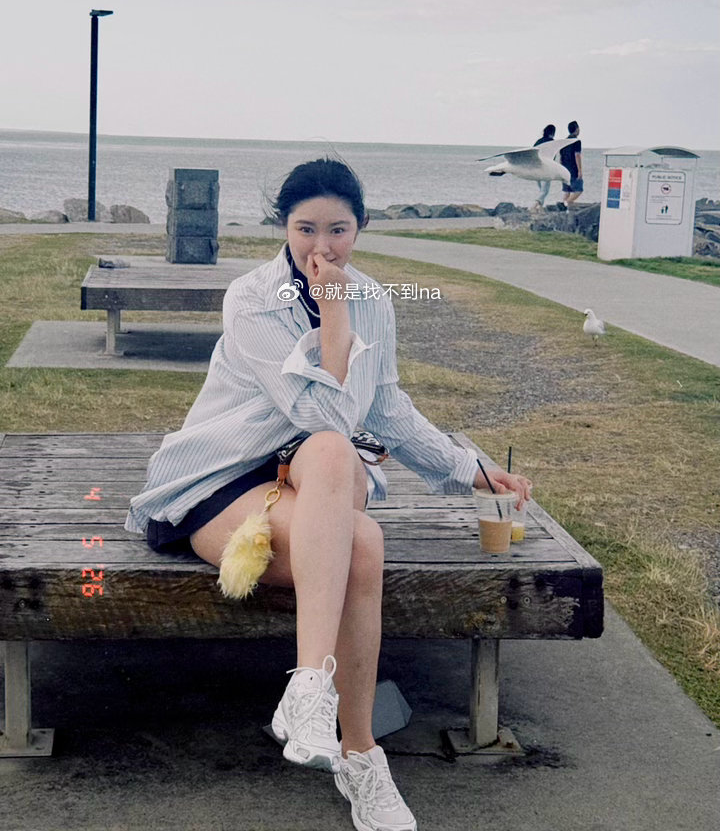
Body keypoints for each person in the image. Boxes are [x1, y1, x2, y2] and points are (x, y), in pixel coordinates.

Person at [124, 157, 532, 831]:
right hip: (221, 482)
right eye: (305, 229)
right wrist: (336, 313)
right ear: (283, 227)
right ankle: (317, 694)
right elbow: (326, 415)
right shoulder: (253, 298)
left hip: (314, 484)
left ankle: (355, 751)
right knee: (345, 481)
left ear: (360, 228)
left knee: (357, 526)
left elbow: (388, 407)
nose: (322, 246)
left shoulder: (375, 298)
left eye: (338, 230)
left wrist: (470, 470)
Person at [559, 120, 583, 208]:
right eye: (578, 128)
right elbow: (577, 155)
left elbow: (561, 157)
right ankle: (565, 204)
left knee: (567, 191)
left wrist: (561, 169)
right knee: (579, 190)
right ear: (576, 129)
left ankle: (565, 210)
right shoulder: (576, 141)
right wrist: (580, 170)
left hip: (564, 169)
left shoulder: (563, 142)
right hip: (573, 169)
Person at [533, 124, 556, 208]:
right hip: (546, 167)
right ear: (553, 133)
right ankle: (535, 205)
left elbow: (532, 152)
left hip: (536, 167)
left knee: (541, 190)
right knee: (544, 191)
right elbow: (553, 156)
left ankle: (540, 207)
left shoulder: (539, 141)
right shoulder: (552, 142)